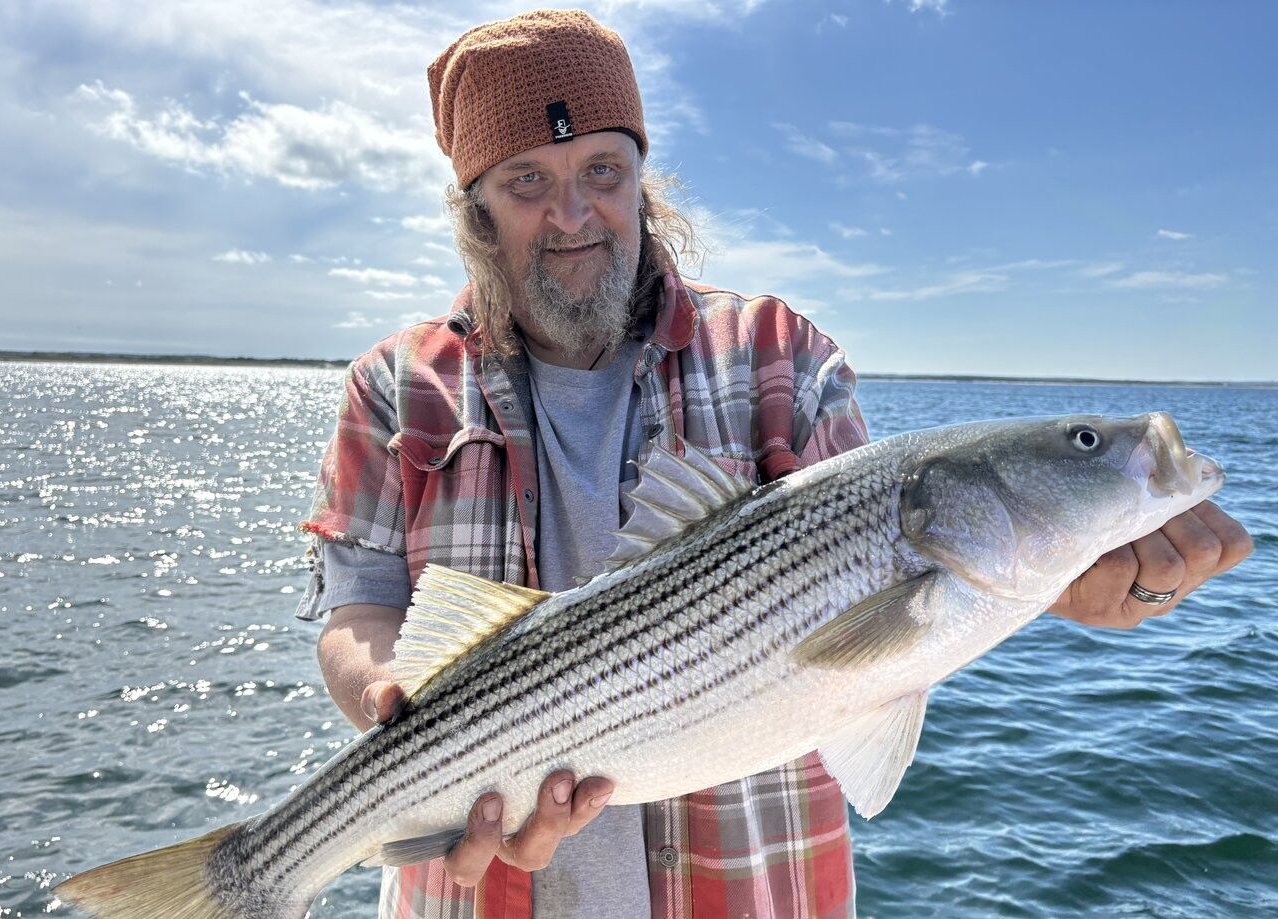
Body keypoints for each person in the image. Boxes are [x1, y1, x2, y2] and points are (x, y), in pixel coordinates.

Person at [297, 10, 1254, 919]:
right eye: (526, 183)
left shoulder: (779, 354)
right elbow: (362, 611)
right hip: (469, 878)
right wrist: (397, 708)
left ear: (643, 178)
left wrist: (1095, 588)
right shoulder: (395, 384)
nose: (574, 213)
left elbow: (909, 628)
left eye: (602, 168)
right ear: (474, 208)